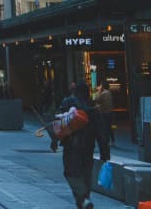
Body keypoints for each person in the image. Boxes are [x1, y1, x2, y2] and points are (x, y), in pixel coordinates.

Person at [62, 81, 110, 209]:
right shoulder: (93, 107)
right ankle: (84, 200)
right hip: (89, 148)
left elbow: (59, 124)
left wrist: (54, 141)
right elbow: (101, 131)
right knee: (85, 175)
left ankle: (83, 199)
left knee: (70, 173)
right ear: (88, 92)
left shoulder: (67, 103)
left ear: (75, 91)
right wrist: (104, 152)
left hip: (71, 146)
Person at [94, 81, 115, 146]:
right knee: (109, 127)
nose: (99, 87)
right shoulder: (109, 93)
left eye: (100, 85)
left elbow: (96, 99)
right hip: (109, 112)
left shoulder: (103, 94)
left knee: (104, 127)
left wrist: (98, 91)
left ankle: (107, 141)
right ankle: (112, 140)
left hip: (104, 113)